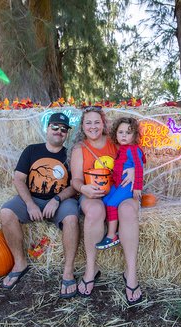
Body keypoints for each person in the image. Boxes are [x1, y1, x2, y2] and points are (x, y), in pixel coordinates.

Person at [0, 112, 79, 299]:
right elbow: (18, 179)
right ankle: (20, 263)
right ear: (47, 128)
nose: (59, 131)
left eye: (63, 129)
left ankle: (68, 272)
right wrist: (29, 204)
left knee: (72, 219)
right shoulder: (31, 150)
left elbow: (75, 186)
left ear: (67, 133)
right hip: (32, 198)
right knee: (6, 212)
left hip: (60, 200)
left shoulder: (71, 155)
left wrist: (57, 199)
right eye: (55, 127)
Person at [70, 107, 143, 305]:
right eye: (88, 123)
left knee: (127, 210)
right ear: (82, 126)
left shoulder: (115, 141)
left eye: (96, 122)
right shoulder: (80, 149)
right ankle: (91, 268)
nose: (93, 126)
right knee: (94, 211)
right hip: (93, 193)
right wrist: (84, 189)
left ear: (103, 123)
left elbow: (136, 156)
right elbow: (75, 180)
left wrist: (135, 172)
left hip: (121, 191)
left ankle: (131, 272)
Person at [96, 117, 145, 250]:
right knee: (105, 199)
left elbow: (139, 167)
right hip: (118, 184)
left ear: (134, 135)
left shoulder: (133, 150)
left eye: (128, 133)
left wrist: (137, 187)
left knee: (112, 204)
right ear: (115, 134)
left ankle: (112, 235)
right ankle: (116, 226)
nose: (124, 135)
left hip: (127, 185)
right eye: (120, 132)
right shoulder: (122, 149)